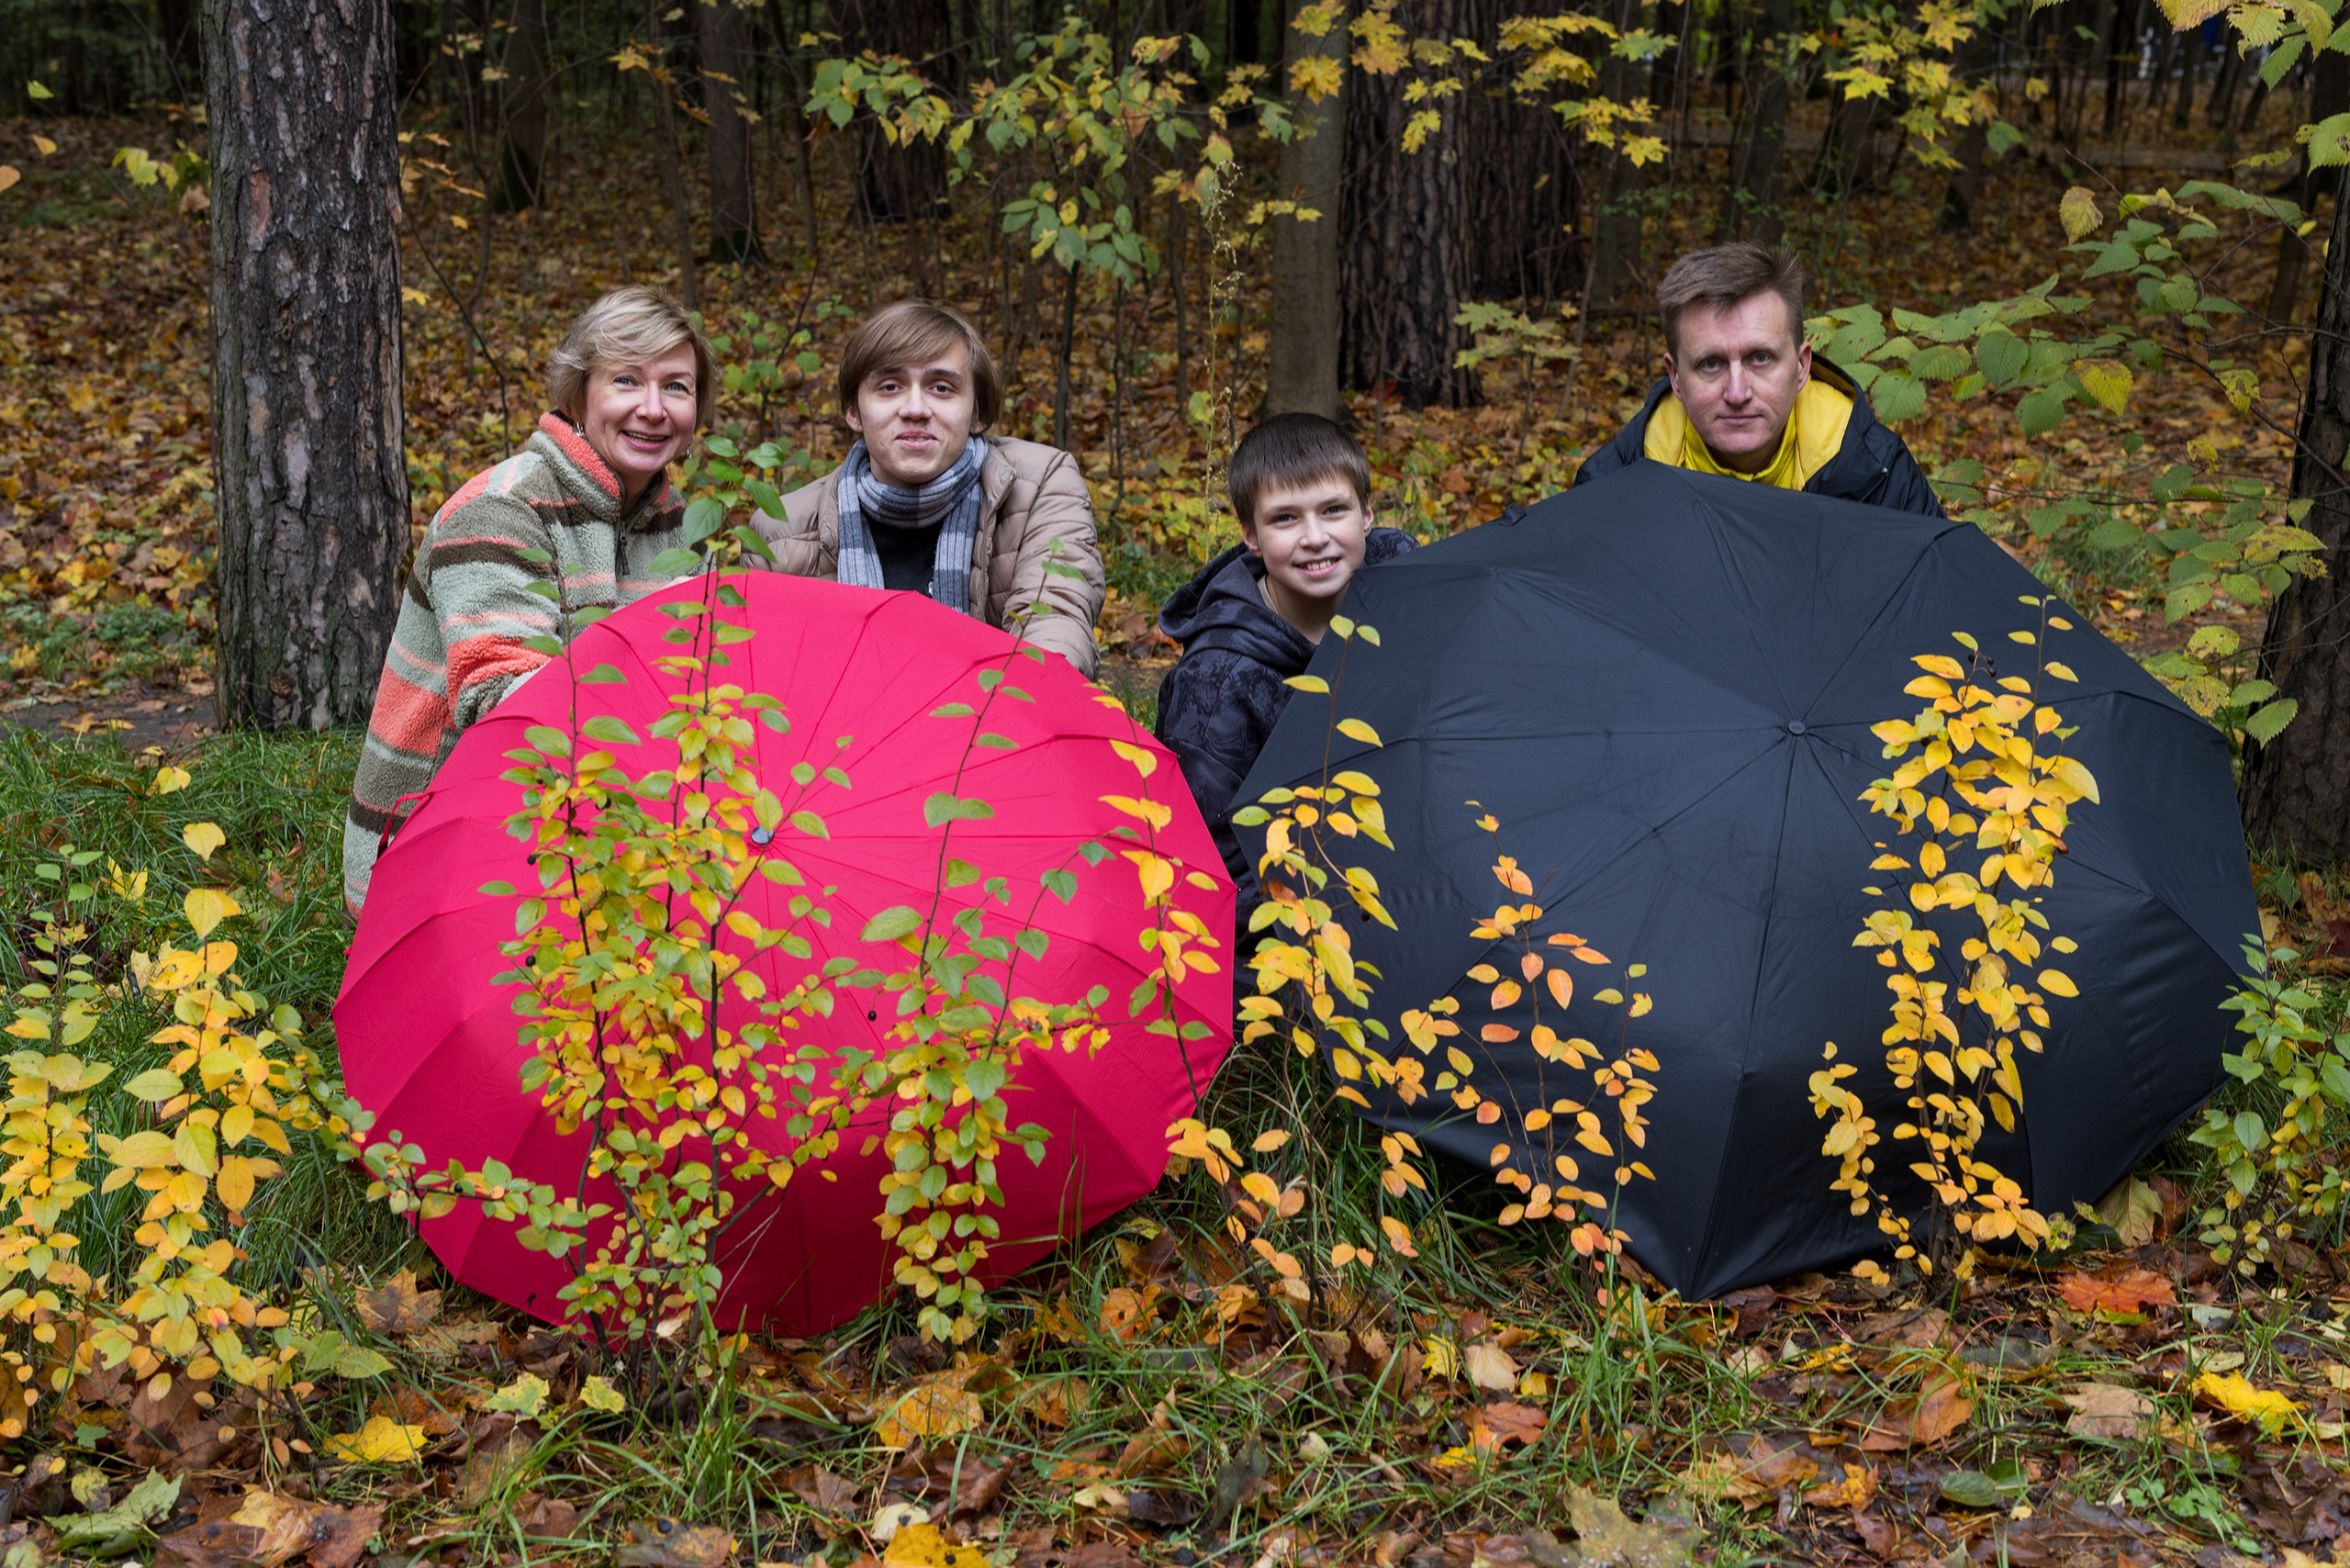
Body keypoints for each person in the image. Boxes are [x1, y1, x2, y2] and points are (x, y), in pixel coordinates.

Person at [342, 286, 710, 913]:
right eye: (626, 381)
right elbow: (499, 707)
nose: (653, 409)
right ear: (578, 392)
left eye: (676, 386)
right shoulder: (499, 508)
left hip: (604, 821)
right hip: (442, 837)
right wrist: (649, 639)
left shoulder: (679, 523)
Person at [752, 301, 1104, 677]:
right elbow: (774, 690)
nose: (916, 409)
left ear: (978, 412)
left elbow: (1054, 631)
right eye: (889, 387)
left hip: (998, 727)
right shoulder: (779, 535)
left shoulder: (1041, 488)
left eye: (941, 387)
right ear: (853, 411)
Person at [1155, 413, 1416, 909]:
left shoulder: (1408, 592)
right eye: (1285, 518)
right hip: (1297, 910)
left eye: (1334, 510)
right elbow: (1211, 868)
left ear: (1367, 515)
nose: (1315, 537)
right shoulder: (1218, 684)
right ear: (1250, 535)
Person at [1573, 242, 1945, 517]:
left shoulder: (1875, 477)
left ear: (1802, 366)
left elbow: (1938, 596)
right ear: (1675, 377)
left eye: (1760, 358)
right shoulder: (1616, 483)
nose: (1737, 393)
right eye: (1711, 364)